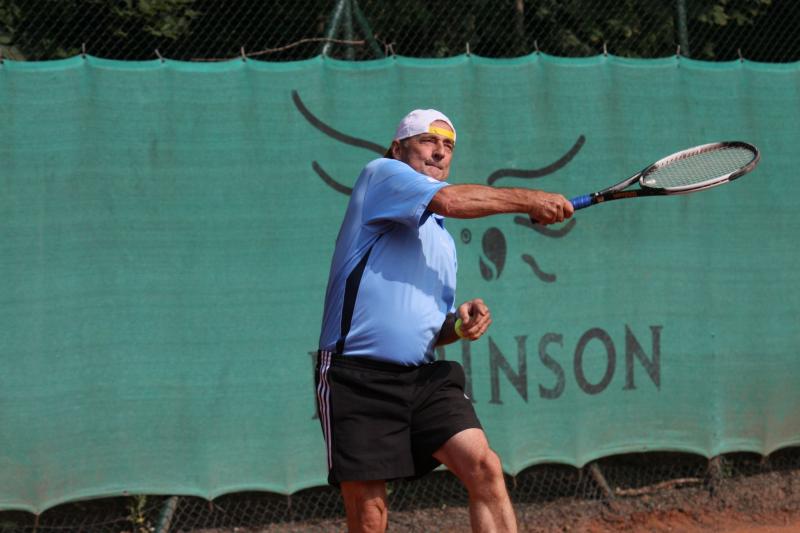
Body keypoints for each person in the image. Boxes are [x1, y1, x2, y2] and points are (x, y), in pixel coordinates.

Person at [316, 109, 573, 533]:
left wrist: (457, 326)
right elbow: (450, 200)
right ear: (398, 148)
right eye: (427, 141)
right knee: (370, 514)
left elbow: (427, 329)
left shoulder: (442, 241)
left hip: (421, 377)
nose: (439, 152)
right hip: (357, 376)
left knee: (484, 467)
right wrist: (530, 200)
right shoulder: (381, 174)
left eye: (448, 145)